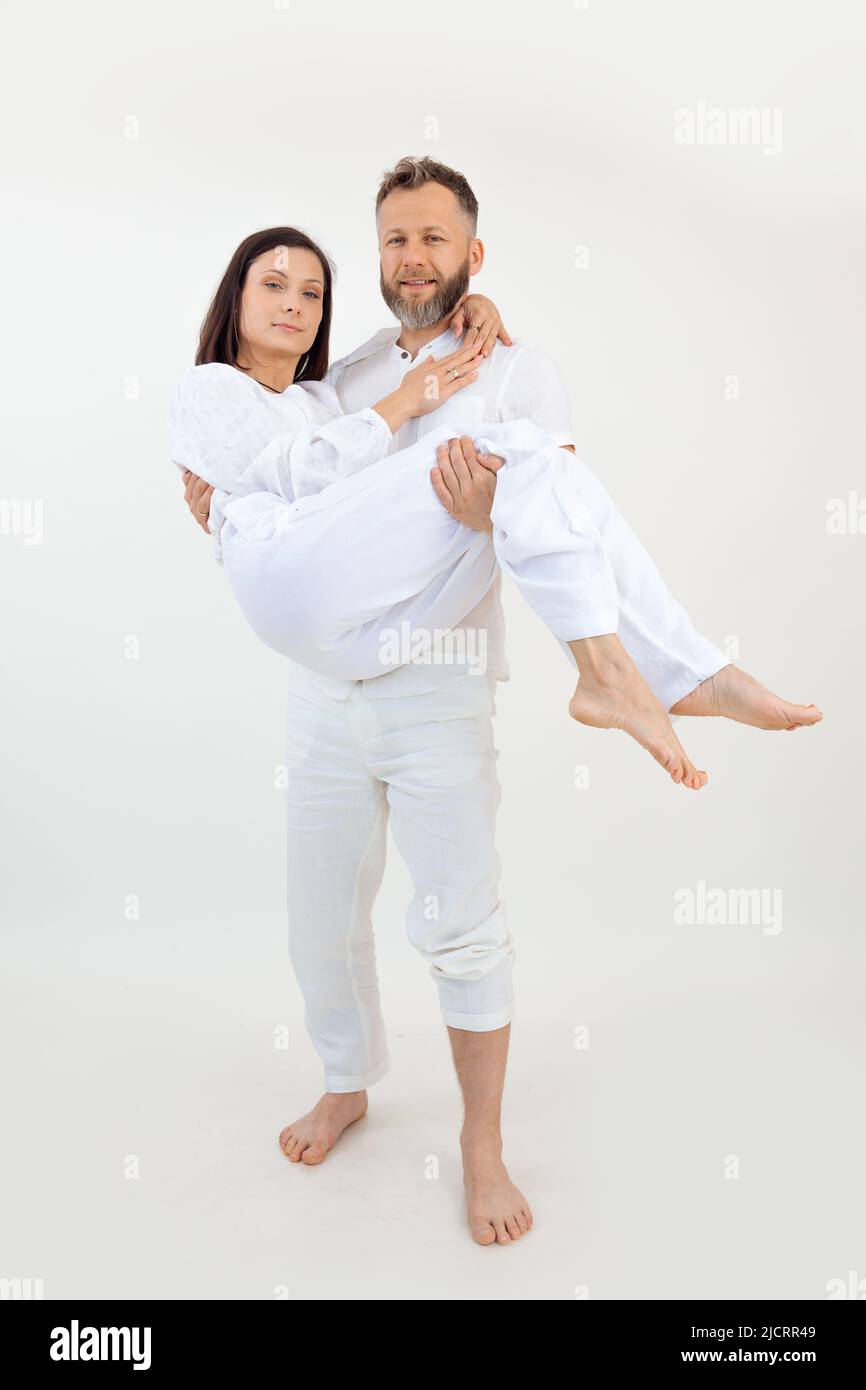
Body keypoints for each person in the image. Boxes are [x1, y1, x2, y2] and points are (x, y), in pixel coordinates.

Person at [174, 160, 821, 1247]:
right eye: (391, 240)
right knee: (318, 917)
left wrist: (485, 508)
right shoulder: (356, 372)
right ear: (375, 257)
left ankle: (481, 1142)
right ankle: (346, 1080)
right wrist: (225, 491)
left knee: (461, 925)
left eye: (433, 239)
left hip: (435, 682)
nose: (410, 258)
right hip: (326, 684)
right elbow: (292, 466)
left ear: (473, 256)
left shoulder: (516, 369)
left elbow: (553, 508)